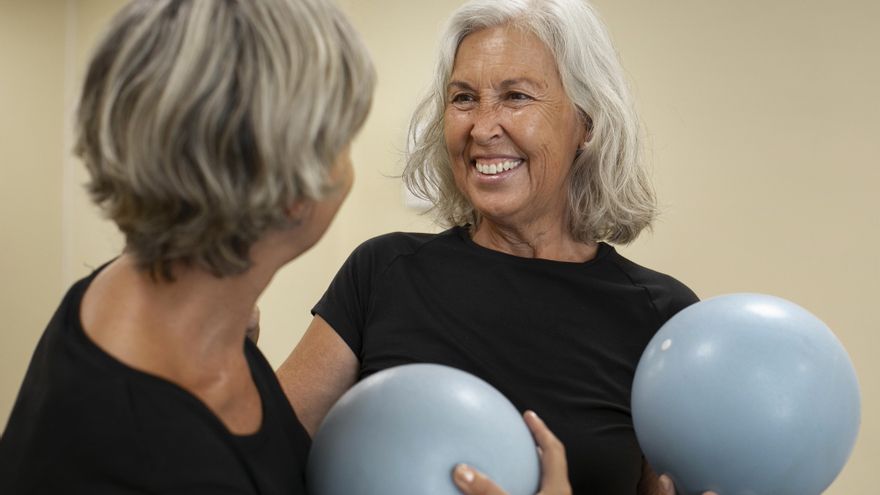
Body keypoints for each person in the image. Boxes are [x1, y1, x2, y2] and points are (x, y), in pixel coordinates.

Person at [0, 0, 571, 493]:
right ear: (293, 190)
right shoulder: (151, 460)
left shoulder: (161, 306)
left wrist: (225, 323)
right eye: (343, 136)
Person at [277, 1, 716, 494]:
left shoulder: (662, 318)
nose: (482, 128)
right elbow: (258, 461)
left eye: (516, 97)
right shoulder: (383, 272)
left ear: (587, 122)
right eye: (463, 98)